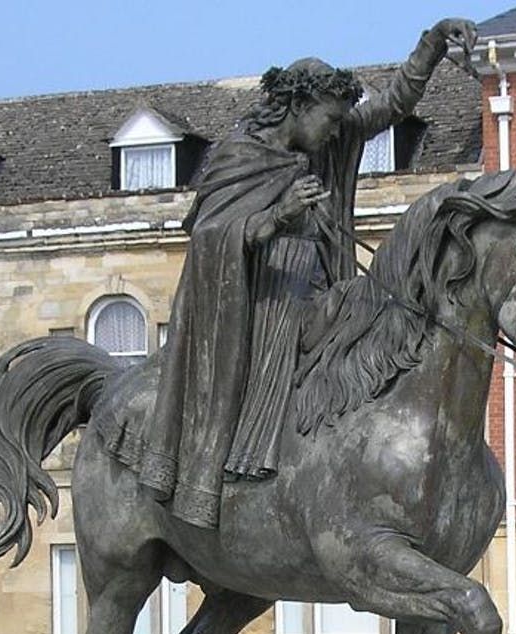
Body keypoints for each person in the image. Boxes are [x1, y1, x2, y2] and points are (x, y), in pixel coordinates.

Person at [135, 18, 478, 528]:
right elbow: (209, 237)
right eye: (329, 119)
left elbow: (394, 103)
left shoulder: (329, 143)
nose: (338, 130)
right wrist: (277, 217)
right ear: (297, 107)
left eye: (342, 122)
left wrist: (430, 45)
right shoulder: (239, 156)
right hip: (267, 301)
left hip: (328, 288)